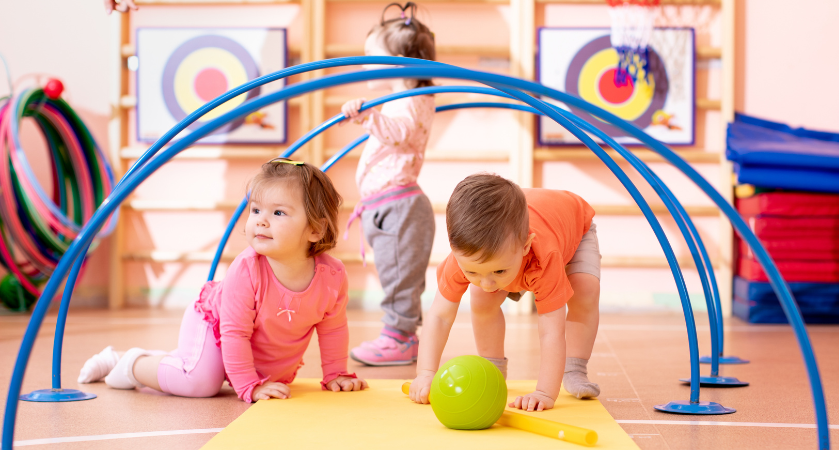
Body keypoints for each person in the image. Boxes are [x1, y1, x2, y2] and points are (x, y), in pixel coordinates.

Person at [78, 159, 368, 402]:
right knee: (201, 384)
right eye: (256, 210)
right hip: (212, 324)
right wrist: (249, 387)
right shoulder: (247, 268)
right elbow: (234, 334)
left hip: (251, 349)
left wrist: (336, 374)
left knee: (242, 374)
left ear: (315, 230)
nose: (261, 221)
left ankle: (176, 360)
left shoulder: (332, 276)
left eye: (278, 212)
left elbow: (333, 330)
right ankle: (128, 362)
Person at [408, 173, 602, 411]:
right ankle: (493, 368)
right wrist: (426, 372)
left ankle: (575, 369)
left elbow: (551, 331)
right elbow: (439, 317)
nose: (488, 283)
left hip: (574, 229)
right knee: (481, 298)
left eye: (498, 271)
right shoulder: (462, 260)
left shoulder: (544, 258)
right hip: (527, 229)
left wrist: (544, 393)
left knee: (585, 290)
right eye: (473, 272)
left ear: (525, 247)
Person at [341, 2, 437, 366]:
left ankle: (399, 338)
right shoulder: (400, 102)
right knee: (395, 274)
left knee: (399, 278)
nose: (365, 65)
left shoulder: (411, 101)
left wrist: (367, 115)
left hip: (399, 207)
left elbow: (399, 134)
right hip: (385, 207)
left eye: (371, 57)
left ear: (398, 61)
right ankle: (403, 334)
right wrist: (371, 115)